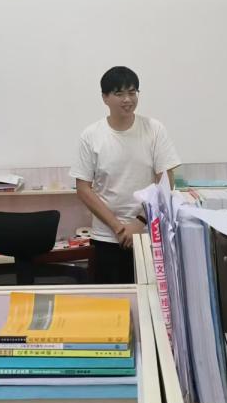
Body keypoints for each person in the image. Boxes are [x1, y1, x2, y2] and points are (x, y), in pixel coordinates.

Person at [70, 66, 181, 283]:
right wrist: (118, 227)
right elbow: (83, 189)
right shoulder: (91, 135)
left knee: (152, 296)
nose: (127, 99)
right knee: (112, 299)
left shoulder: (154, 129)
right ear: (105, 97)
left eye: (132, 92)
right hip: (106, 237)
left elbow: (166, 182)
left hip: (149, 232)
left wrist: (140, 222)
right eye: (119, 93)